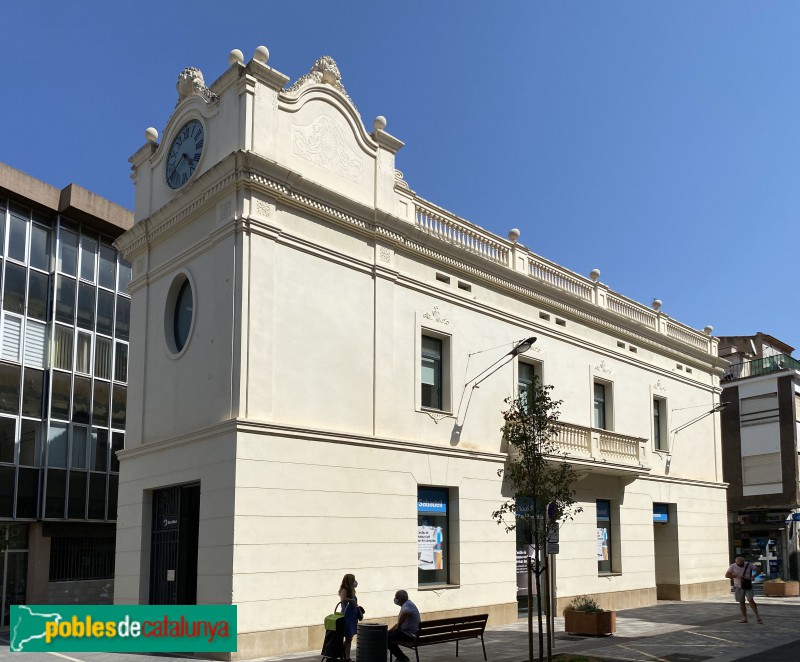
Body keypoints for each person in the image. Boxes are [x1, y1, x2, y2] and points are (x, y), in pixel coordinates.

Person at [725, 556, 763, 624]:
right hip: (738, 586)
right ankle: (744, 618)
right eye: (739, 564)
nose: (741, 565)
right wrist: (736, 576)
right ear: (736, 563)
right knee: (741, 602)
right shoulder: (732, 566)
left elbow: (759, 570)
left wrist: (753, 576)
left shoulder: (749, 564)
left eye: (742, 563)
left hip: (747, 585)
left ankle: (757, 617)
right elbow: (727, 575)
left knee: (750, 600)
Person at [388, 590, 420, 662]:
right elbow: (398, 623)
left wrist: (398, 627)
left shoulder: (406, 606)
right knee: (388, 635)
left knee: (387, 638)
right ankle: (401, 657)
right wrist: (390, 631)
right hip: (412, 634)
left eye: (396, 597)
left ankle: (402, 658)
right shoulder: (409, 604)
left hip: (409, 635)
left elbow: (406, 612)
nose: (395, 599)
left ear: (400, 598)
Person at [338, 574, 359, 661]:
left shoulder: (352, 590)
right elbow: (343, 599)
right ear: (349, 581)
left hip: (352, 616)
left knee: (349, 638)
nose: (355, 581)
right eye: (353, 579)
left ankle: (347, 657)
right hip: (347, 616)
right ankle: (340, 652)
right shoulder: (344, 589)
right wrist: (351, 600)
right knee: (348, 638)